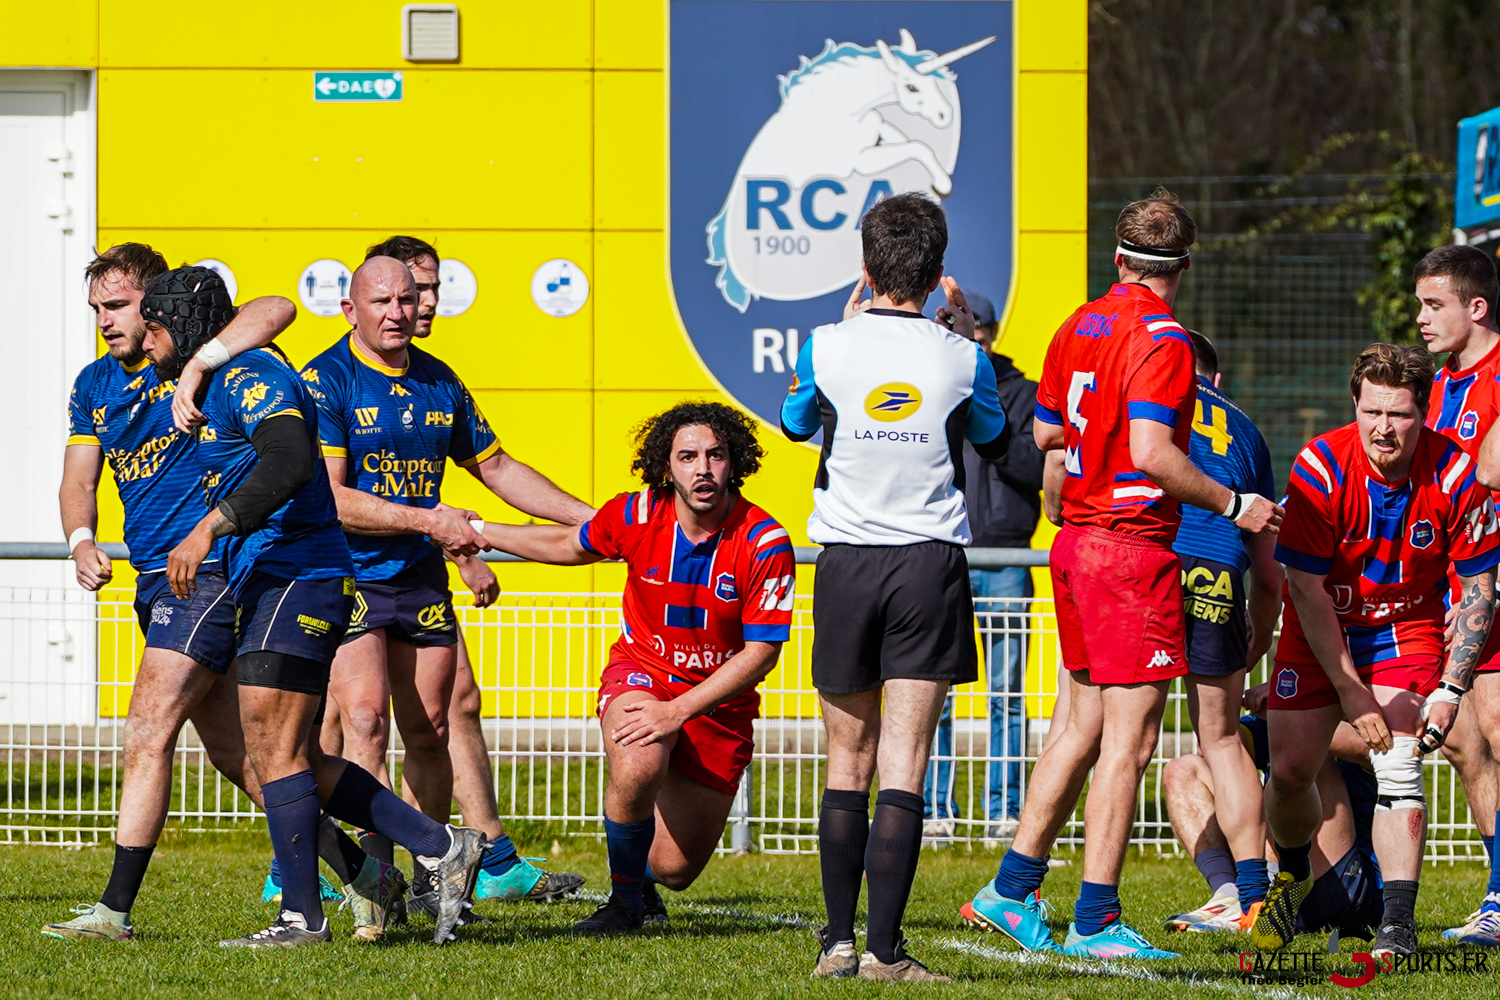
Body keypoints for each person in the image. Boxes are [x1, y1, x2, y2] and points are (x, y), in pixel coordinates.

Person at [960, 189, 1281, 961]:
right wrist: (1234, 503)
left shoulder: (1078, 323)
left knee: (1079, 728)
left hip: (1076, 544)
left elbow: (1047, 432)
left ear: (1118, 257)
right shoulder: (1163, 338)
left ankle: (1009, 889)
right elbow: (1152, 453)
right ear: (1185, 266)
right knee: (1129, 746)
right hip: (1130, 550)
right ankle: (1096, 920)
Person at [149, 265, 487, 947]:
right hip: (273, 577)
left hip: (298, 577)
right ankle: (442, 846)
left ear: (180, 326)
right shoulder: (216, 378)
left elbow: (289, 462)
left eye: (151, 326)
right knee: (293, 751)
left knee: (275, 748)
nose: (141, 338)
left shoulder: (249, 377)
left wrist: (208, 528)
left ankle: (302, 916)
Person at [41, 244, 366, 942]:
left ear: (157, 306)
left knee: (147, 728)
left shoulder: (196, 361)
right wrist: (81, 540)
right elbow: (77, 479)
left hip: (208, 571)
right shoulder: (94, 383)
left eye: (119, 305)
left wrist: (198, 362)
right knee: (245, 758)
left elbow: (277, 307)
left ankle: (114, 911)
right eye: (96, 308)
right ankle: (369, 873)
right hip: (156, 576)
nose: (105, 320)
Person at [298, 252, 591, 924]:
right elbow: (332, 498)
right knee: (364, 721)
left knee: (431, 730)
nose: (399, 313)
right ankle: (375, 889)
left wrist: (593, 519)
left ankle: (435, 880)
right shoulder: (325, 380)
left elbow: (498, 467)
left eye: (408, 299)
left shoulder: (439, 380)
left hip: (419, 579)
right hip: (348, 575)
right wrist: (430, 520)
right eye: (382, 302)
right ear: (349, 309)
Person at [781, 192, 1009, 981]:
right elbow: (992, 438)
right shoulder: (965, 358)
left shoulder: (824, 346)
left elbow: (794, 422)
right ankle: (884, 951)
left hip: (846, 562)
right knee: (905, 760)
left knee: (847, 759)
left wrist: (845, 334)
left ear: (866, 266)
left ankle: (837, 946)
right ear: (939, 271)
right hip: (926, 564)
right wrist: (962, 339)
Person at [473, 402, 795, 934]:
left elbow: (761, 653)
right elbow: (566, 543)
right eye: (687, 457)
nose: (702, 469)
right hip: (642, 674)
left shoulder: (765, 541)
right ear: (666, 466)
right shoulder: (636, 514)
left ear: (734, 462)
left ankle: (643, 874)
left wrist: (679, 713)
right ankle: (624, 906)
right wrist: (480, 530)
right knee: (639, 761)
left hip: (718, 705)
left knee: (674, 870)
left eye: (715, 455)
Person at [1251, 344, 1498, 959]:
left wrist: (1451, 689)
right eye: (1371, 412)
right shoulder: (1319, 467)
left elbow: (1479, 587)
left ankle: (1397, 924)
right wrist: (1349, 690)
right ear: (1354, 406)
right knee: (1290, 774)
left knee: (1399, 759)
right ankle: (1291, 877)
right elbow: (1305, 588)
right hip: (1318, 628)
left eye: (1400, 414)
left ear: (1424, 413)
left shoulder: (1457, 474)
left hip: (1402, 630)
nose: (1383, 428)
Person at [1158, 330, 1282, 931]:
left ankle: (1080, 902)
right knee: (1222, 739)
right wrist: (1257, 637)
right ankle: (1253, 892)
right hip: (1220, 571)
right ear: (1218, 379)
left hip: (1155, 558)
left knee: (1115, 733)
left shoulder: (1152, 396)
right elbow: (1269, 570)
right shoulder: (1249, 431)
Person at [921, 289, 1047, 844]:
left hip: (1004, 557)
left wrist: (983, 415)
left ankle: (1004, 812)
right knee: (932, 691)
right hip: (941, 553)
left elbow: (1037, 467)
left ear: (991, 334)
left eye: (977, 332)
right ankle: (933, 811)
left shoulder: (1023, 393)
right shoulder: (927, 385)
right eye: (957, 332)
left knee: (1006, 696)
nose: (971, 342)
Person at [1414, 244, 1500, 946]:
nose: (1421, 318)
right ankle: (1497, 893)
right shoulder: (1441, 384)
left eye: (1433, 304)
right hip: (1454, 585)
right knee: (1464, 743)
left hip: (1493, 578)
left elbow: (1491, 473)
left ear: (1477, 306)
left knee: (1496, 731)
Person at [1163, 682, 1383, 940]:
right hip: (1287, 871)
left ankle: (1262, 896)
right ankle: (1230, 896)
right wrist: (1224, 715)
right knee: (1184, 770)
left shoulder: (1372, 709)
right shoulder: (1287, 712)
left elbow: (1369, 750)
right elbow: (1215, 747)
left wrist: (1286, 711)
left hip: (1348, 889)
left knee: (1308, 756)